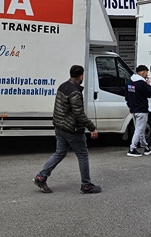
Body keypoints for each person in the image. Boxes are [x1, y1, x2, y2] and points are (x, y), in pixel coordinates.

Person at [34, 65, 101, 194]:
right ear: (81, 76)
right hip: (72, 129)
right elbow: (79, 113)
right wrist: (92, 128)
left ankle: (41, 177)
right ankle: (86, 185)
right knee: (82, 155)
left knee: (59, 153)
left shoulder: (63, 86)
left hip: (60, 126)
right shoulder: (75, 92)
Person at [126, 64, 151, 157]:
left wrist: (130, 106)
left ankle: (146, 147)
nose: (147, 75)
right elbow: (149, 94)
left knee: (140, 129)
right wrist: (148, 85)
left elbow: (127, 96)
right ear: (143, 72)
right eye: (146, 73)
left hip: (133, 109)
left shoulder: (129, 82)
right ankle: (132, 149)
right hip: (142, 109)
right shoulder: (142, 83)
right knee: (139, 130)